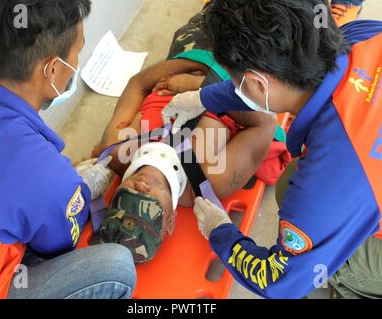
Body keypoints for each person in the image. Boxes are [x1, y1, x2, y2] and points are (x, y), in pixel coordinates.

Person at [162, 0, 382, 298]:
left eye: (237, 79)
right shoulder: (369, 34)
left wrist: (219, 231)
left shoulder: (325, 186)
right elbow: (265, 84)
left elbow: (279, 282)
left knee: (293, 192)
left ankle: (362, 286)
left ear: (257, 84)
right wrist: (204, 99)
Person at [0, 0, 136, 299]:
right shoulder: (46, 176)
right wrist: (77, 193)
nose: (77, 62)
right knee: (117, 268)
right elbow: (56, 245)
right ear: (52, 69)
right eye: (78, 51)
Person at [92, 12, 280, 263]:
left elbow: (137, 84)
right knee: (270, 23)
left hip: (189, 54)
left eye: (124, 203)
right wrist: (202, 89)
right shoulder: (214, 179)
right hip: (241, 67)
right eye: (147, 209)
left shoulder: (118, 151)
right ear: (170, 221)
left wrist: (184, 68)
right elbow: (265, 124)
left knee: (214, 16)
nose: (142, 187)